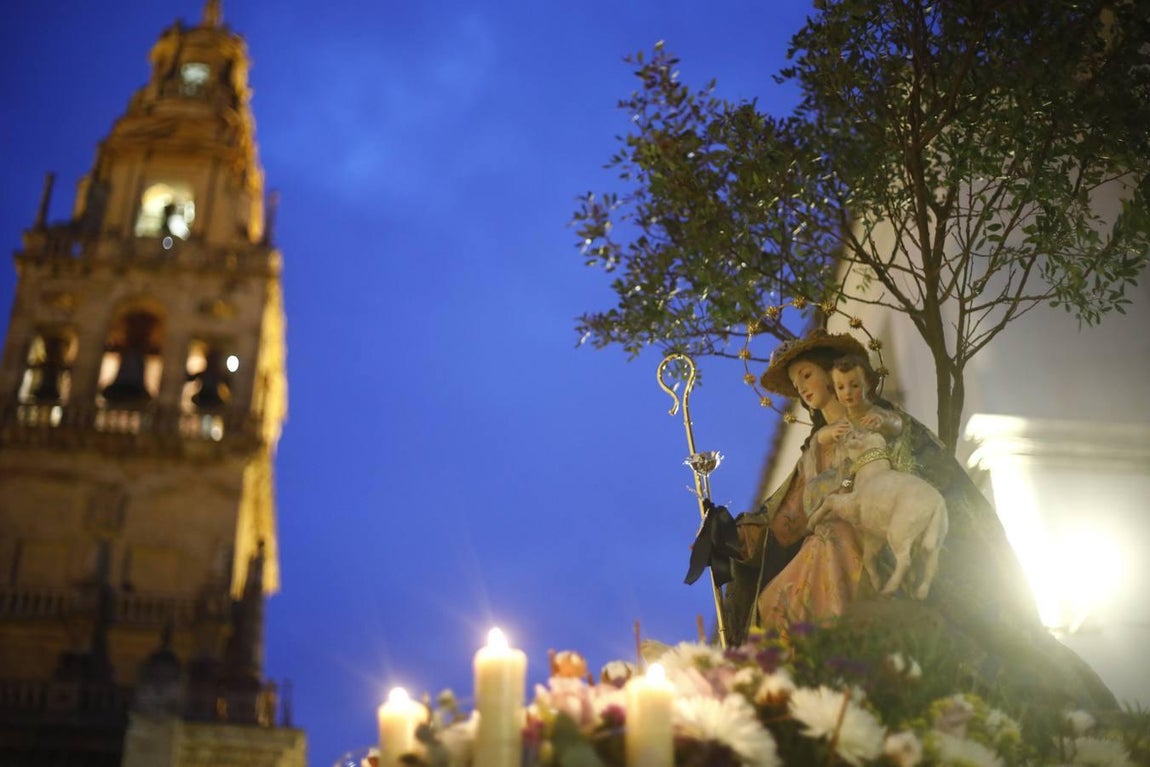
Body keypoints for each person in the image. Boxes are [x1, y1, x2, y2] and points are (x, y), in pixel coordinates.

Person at [722, 329, 1041, 645]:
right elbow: (793, 509)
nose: (802, 388)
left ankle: (846, 643)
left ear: (830, 373)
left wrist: (843, 487)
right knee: (772, 601)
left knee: (833, 542)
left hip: (875, 521)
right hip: (832, 527)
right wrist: (737, 535)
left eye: (806, 375)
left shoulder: (873, 419)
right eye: (795, 384)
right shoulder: (815, 445)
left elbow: (894, 468)